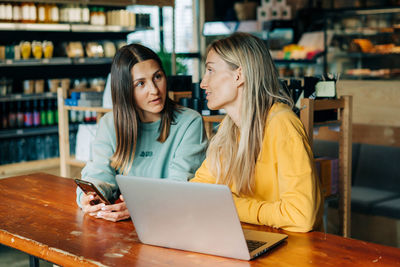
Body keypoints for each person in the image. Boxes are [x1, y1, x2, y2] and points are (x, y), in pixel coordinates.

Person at [191, 32, 323, 232]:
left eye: (211, 70)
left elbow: (301, 216)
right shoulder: (228, 130)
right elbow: (199, 190)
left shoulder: (282, 124)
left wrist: (230, 206)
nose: (203, 83)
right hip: (245, 238)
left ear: (239, 75)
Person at [78, 43, 208, 222]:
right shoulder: (110, 124)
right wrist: (90, 198)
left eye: (157, 77)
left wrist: (140, 206)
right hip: (123, 226)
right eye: (140, 83)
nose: (154, 90)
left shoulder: (189, 122)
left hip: (173, 222)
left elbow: (180, 187)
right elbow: (99, 174)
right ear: (125, 91)